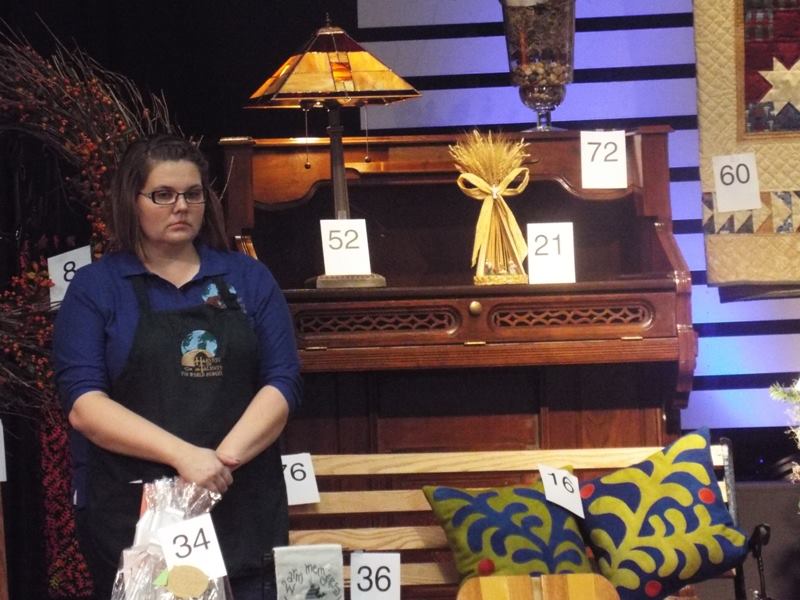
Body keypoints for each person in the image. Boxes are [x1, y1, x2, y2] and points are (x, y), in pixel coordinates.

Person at [53, 134, 302, 600]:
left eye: (192, 194)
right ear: (132, 201)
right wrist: (184, 457)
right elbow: (85, 405)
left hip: (240, 504)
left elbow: (282, 382)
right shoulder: (97, 288)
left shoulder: (248, 278)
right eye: (163, 195)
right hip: (139, 517)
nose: (181, 206)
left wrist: (218, 463)